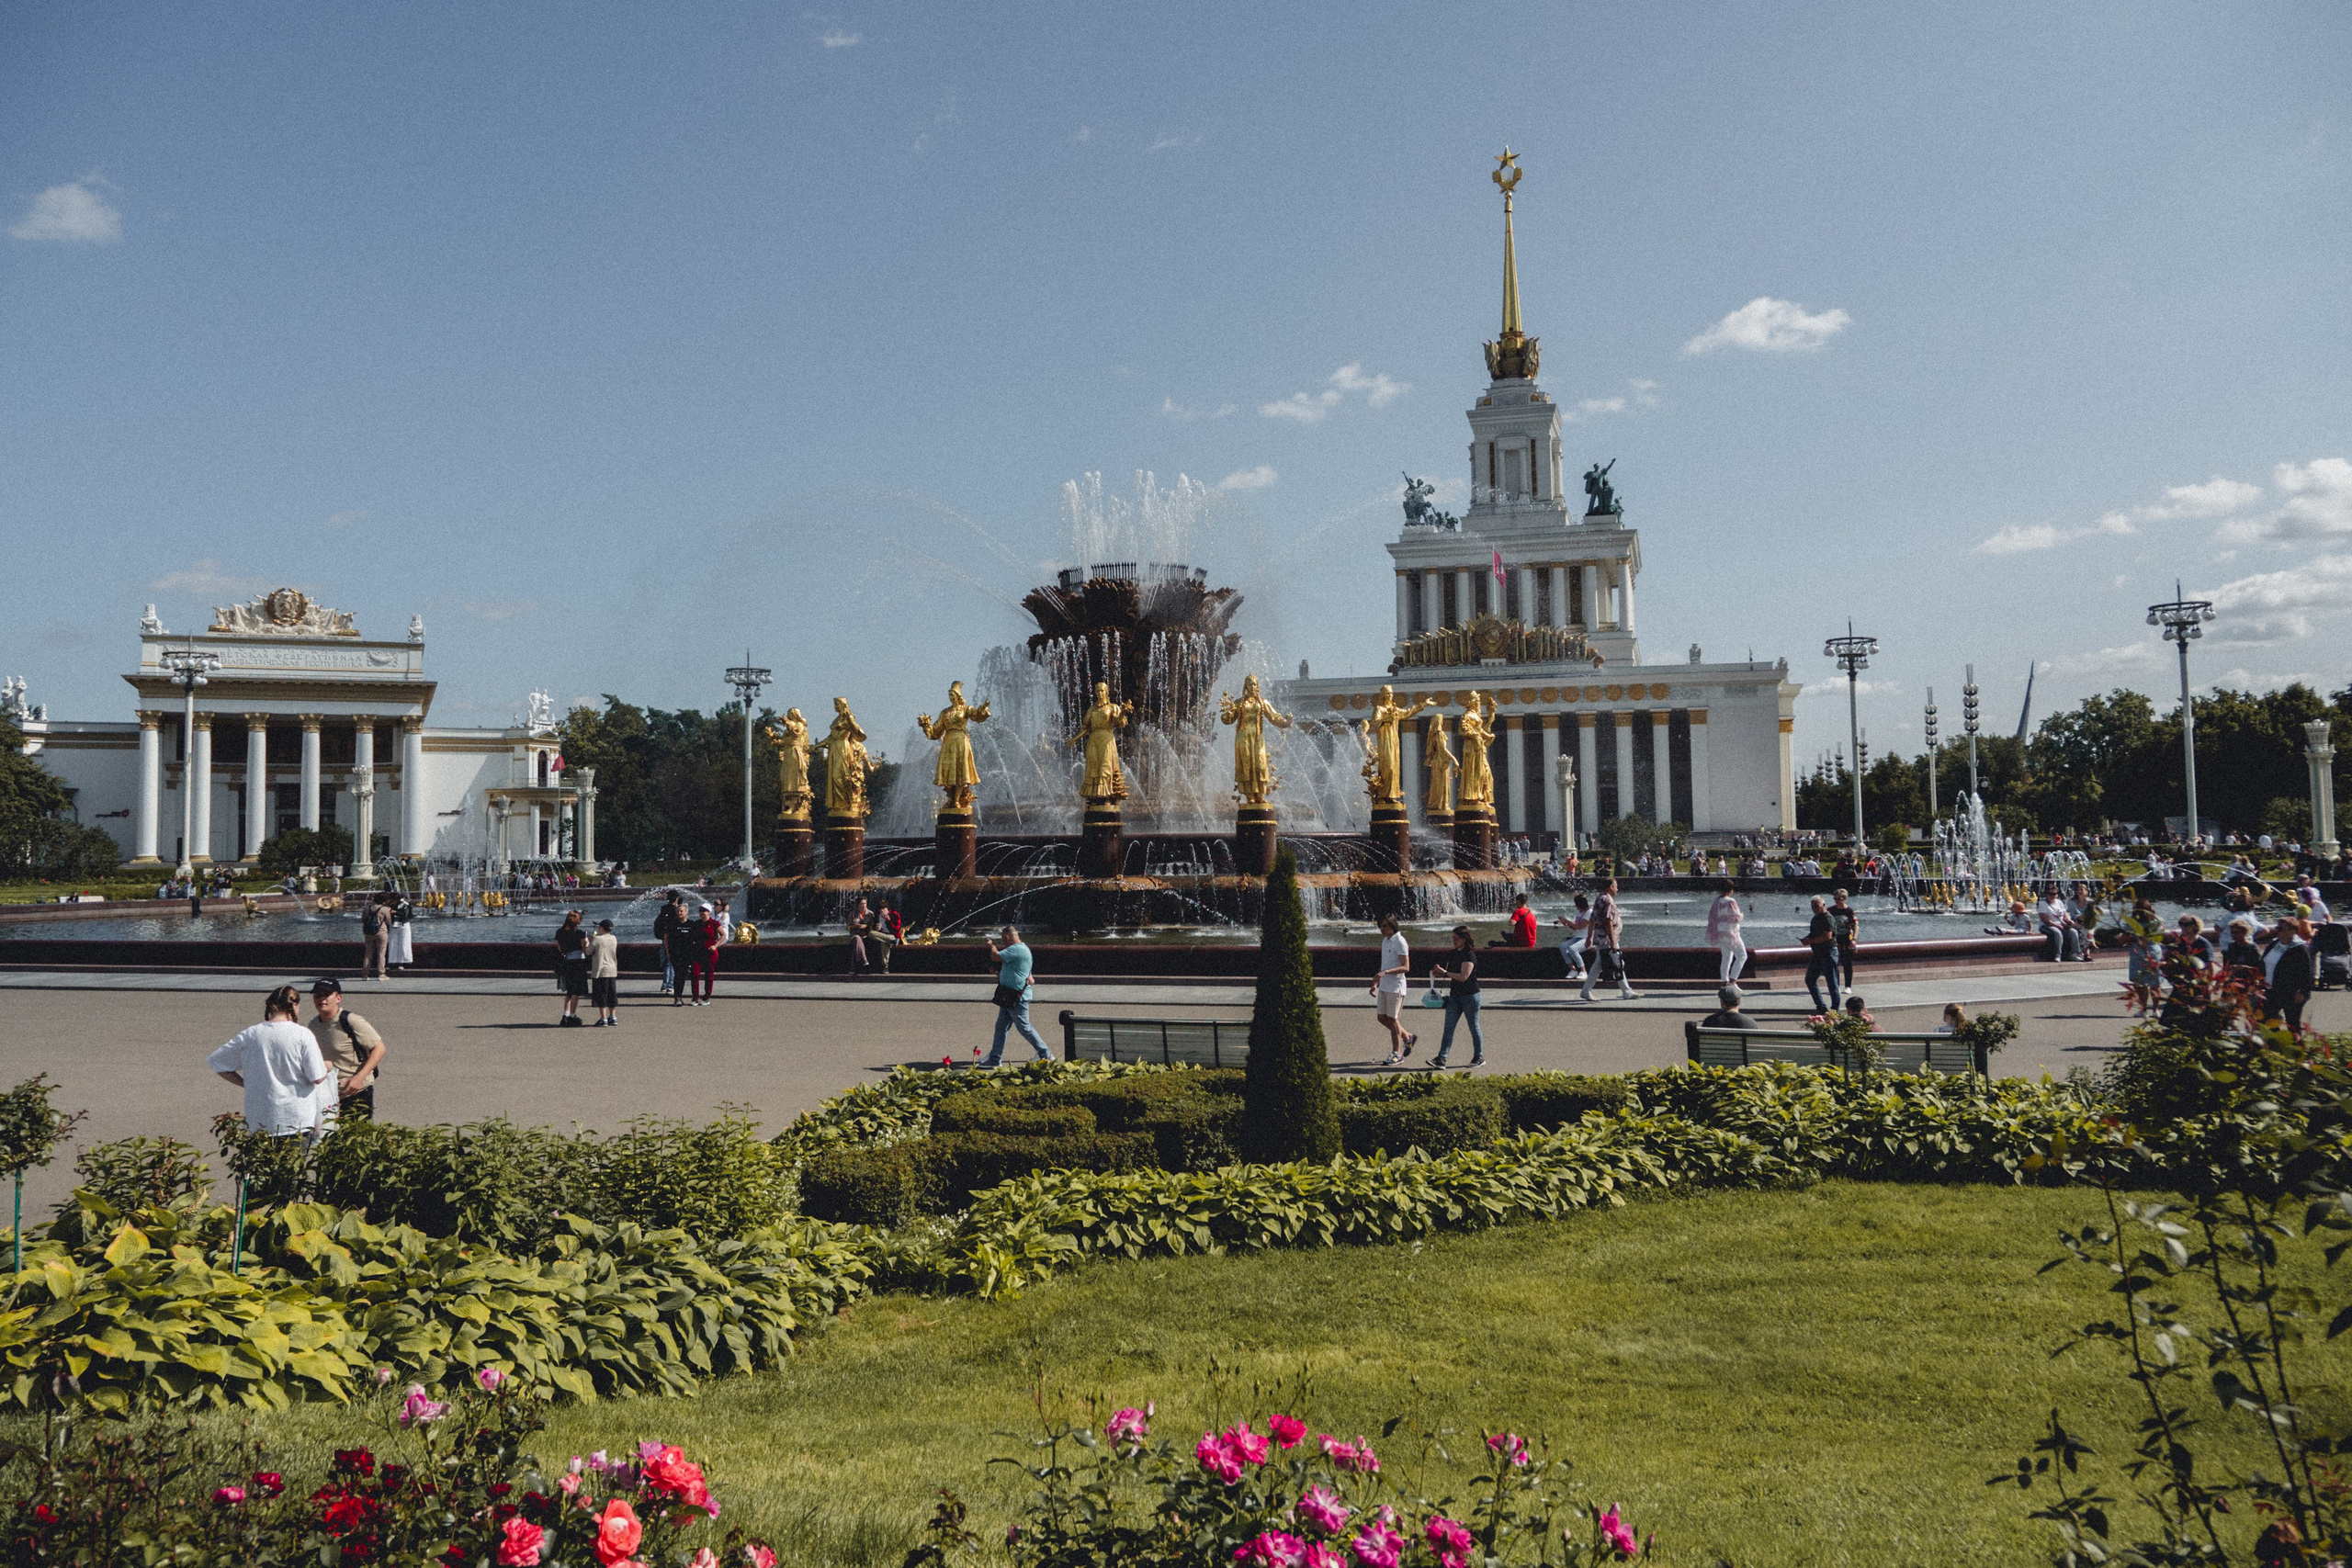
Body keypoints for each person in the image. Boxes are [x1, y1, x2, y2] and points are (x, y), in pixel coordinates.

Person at [208, 984, 333, 1137]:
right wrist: (327, 1066)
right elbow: (317, 1077)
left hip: (261, 1118)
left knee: (263, 1160)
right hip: (297, 1117)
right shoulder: (302, 1034)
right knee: (294, 1159)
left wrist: (246, 1083)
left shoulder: (251, 1034)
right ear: (294, 1005)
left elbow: (217, 1062)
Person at [306, 977, 385, 1125]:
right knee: (330, 1143)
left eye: (326, 995)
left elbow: (379, 1048)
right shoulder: (313, 1025)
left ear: (338, 998)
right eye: (317, 995)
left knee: (357, 1141)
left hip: (356, 1092)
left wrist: (359, 1078)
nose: (321, 999)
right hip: (328, 1095)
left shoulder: (350, 1020)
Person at [982, 924, 1049, 1066]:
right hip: (1008, 996)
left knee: (1024, 1027)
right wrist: (1000, 974)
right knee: (1001, 1027)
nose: (1002, 942)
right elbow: (1018, 969)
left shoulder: (1016, 949)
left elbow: (995, 957)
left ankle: (1045, 1054)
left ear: (1007, 937)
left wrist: (991, 945)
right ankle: (995, 1058)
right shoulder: (1023, 949)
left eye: (1002, 939)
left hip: (1017, 997)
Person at [1428, 926, 1483, 1068]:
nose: (1454, 941)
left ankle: (1479, 1056)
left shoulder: (1469, 955)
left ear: (1464, 939)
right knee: (1449, 1027)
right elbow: (1450, 973)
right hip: (1455, 996)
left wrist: (1445, 973)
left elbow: (1464, 976)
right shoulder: (1453, 953)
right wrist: (1438, 973)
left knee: (1473, 1027)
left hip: (1470, 996)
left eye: (1456, 938)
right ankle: (1441, 1059)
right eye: (1452, 938)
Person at [1579, 879, 1635, 1001]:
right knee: (1616, 962)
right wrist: (1613, 941)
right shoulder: (1607, 900)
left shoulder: (1600, 898)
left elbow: (1593, 919)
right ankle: (1586, 991)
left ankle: (1626, 991)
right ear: (1610, 887)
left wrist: (1590, 936)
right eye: (1616, 886)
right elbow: (1608, 921)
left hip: (1602, 937)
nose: (1617, 889)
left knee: (1609, 964)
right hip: (1607, 939)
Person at [1371, 914, 1416, 1064]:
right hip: (1384, 985)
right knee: (1381, 1018)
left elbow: (1406, 967)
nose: (1381, 929)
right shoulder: (1385, 941)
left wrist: (1386, 973)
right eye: (1380, 926)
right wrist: (1376, 982)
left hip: (1396, 987)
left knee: (1393, 1019)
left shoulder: (1400, 942)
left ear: (1392, 925)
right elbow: (1385, 964)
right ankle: (1407, 1037)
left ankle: (1397, 1053)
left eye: (1384, 926)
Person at [2262, 916, 2313, 1032]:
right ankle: (2275, 1045)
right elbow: (2263, 963)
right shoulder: (2274, 944)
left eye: (2281, 929)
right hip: (2272, 990)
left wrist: (2302, 992)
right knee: (2269, 1020)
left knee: (2292, 1024)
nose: (2277, 931)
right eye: (2277, 928)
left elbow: (2308, 972)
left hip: (2292, 992)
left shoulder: (2299, 948)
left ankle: (2296, 1047)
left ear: (2293, 931)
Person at [1802, 895, 1843, 1012]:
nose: (1815, 909)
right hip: (1818, 954)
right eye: (1813, 907)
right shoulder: (1815, 919)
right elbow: (1813, 934)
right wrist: (1806, 939)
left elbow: (1827, 937)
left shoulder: (1828, 918)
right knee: (1810, 979)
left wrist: (1810, 941)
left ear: (1823, 905)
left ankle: (1835, 1009)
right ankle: (1821, 1007)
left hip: (1828, 952)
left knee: (1832, 983)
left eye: (1817, 906)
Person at [1706, 881, 1746, 986]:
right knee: (1742, 956)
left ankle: (1724, 982)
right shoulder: (1731, 901)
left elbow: (1712, 917)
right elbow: (1736, 918)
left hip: (1721, 933)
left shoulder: (1717, 901)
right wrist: (1741, 915)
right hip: (1731, 933)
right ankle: (1733, 980)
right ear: (1730, 890)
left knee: (1726, 958)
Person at [554, 909, 589, 1025]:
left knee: (569, 991)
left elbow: (560, 948)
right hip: (578, 963)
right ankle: (572, 1016)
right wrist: (590, 941)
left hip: (566, 962)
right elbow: (585, 949)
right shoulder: (580, 933)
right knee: (576, 991)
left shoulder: (559, 932)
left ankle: (565, 1015)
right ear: (577, 921)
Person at [666, 898, 703, 1008]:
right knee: (679, 975)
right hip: (676, 954)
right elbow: (666, 939)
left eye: (681, 911)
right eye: (678, 911)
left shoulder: (692, 924)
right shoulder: (672, 924)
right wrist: (668, 953)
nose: (679, 913)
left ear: (686, 912)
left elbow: (697, 939)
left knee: (688, 975)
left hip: (689, 954)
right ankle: (678, 997)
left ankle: (695, 997)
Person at [588, 917, 620, 1026]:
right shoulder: (614, 938)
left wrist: (588, 941)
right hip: (611, 969)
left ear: (601, 928)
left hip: (600, 970)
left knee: (602, 994)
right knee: (612, 994)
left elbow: (588, 952)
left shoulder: (597, 939)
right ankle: (613, 1016)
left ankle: (603, 1018)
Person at [689, 902, 720, 1005]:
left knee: (709, 975)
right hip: (697, 952)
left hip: (710, 953)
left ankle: (706, 997)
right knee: (695, 974)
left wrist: (715, 945)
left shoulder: (714, 923)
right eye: (700, 911)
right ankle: (695, 997)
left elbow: (723, 935)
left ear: (709, 912)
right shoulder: (696, 923)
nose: (702, 913)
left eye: (704, 911)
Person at [1828, 888, 1860, 989]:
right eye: (1835, 898)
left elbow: (1855, 926)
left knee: (1847, 964)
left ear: (1845, 899)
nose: (1837, 901)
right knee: (1833, 963)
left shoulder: (1849, 911)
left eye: (1839, 899)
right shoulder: (1831, 910)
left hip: (1847, 940)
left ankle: (1848, 986)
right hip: (1834, 940)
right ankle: (1835, 985)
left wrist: (1854, 940)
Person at [652, 892, 684, 995]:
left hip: (664, 939)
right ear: (676, 899)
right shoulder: (674, 911)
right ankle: (670, 986)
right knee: (672, 963)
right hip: (673, 939)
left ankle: (665, 985)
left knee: (667, 963)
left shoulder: (664, 910)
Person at [1553, 896, 1590, 979]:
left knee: (1573, 949)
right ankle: (1573, 970)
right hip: (1577, 937)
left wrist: (1567, 921)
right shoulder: (1578, 912)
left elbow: (1580, 926)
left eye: (1577, 905)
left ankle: (1583, 971)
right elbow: (1575, 927)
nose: (1576, 907)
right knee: (1563, 946)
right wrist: (1567, 924)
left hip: (1588, 938)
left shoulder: (1590, 912)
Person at [360, 894, 389, 981]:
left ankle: (365, 974)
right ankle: (381, 974)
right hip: (381, 932)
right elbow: (388, 920)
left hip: (368, 933)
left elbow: (362, 920)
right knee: (381, 953)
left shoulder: (367, 908)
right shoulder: (384, 909)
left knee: (368, 953)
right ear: (383, 901)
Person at [386, 889, 414, 973]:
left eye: (392, 900)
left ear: (396, 899)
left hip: (403, 925)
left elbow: (406, 916)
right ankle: (392, 962)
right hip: (394, 925)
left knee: (404, 943)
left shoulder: (405, 905)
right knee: (393, 943)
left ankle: (402, 962)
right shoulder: (391, 904)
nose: (391, 902)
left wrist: (395, 912)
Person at [847, 897, 875, 976]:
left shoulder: (870, 914)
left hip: (866, 935)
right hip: (855, 935)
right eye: (861, 904)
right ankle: (864, 960)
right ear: (858, 905)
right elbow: (848, 928)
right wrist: (855, 927)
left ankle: (852, 967)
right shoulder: (852, 913)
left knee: (857, 944)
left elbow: (872, 927)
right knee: (857, 938)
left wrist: (865, 926)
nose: (863, 905)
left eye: (865, 903)